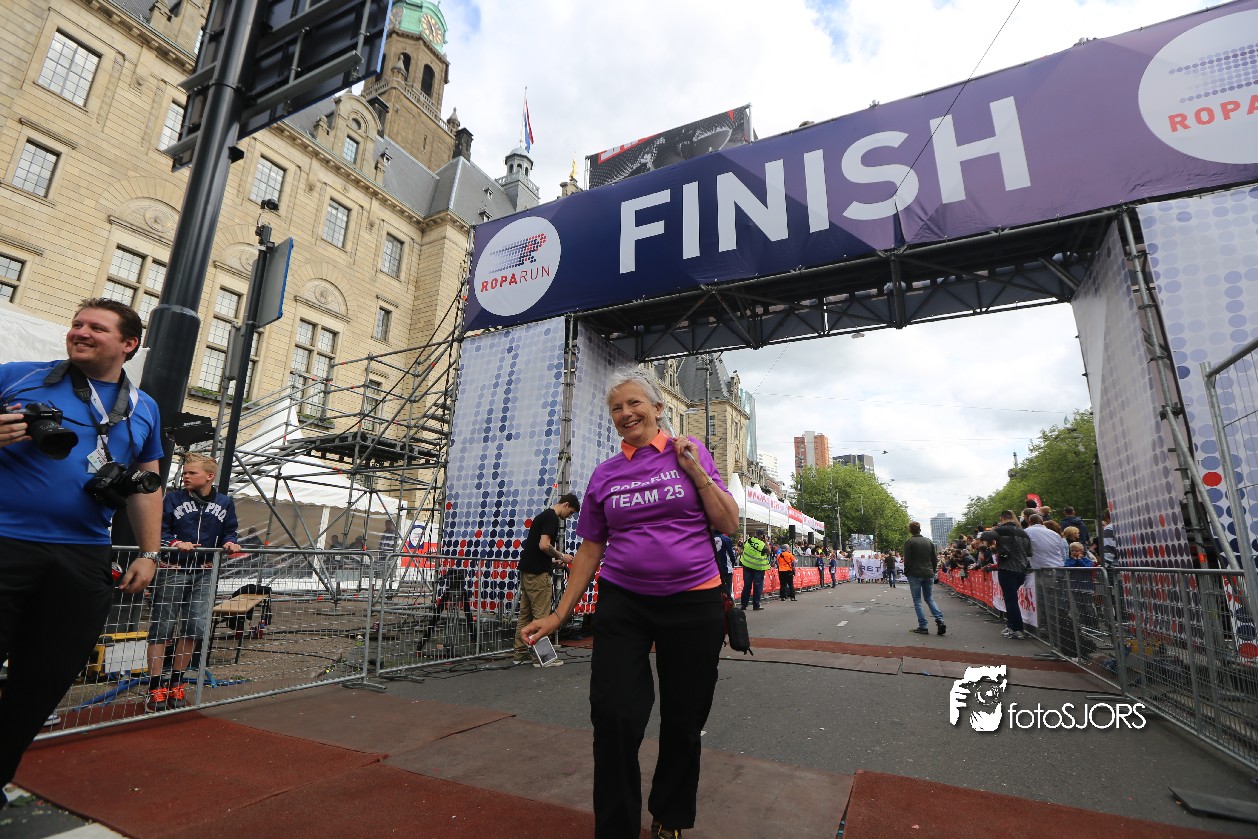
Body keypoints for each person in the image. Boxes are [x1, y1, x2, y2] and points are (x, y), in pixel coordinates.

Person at [520, 369, 739, 839]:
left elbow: (728, 524)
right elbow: (590, 551)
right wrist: (558, 615)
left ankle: (670, 816)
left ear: (658, 408)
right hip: (624, 603)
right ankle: (616, 827)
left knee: (684, 717)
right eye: (617, 408)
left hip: (693, 601)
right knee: (614, 714)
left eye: (635, 403)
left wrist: (697, 473)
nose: (626, 413)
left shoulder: (690, 452)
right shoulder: (605, 475)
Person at [0, 299, 163, 804]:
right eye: (76, 324)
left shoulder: (144, 406)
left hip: (84, 556)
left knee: (42, 683)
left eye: (96, 327)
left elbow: (148, 484)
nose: (80, 331)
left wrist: (149, 553)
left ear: (128, 344)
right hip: (6, 542)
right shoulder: (17, 376)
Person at [146, 453, 241, 710]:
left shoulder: (225, 502)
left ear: (209, 476)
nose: (186, 476)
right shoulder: (173, 498)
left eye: (192, 473)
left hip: (204, 571)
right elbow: (159, 530)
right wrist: (176, 543)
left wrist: (230, 543)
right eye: (185, 472)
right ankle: (155, 687)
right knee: (162, 628)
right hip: (173, 569)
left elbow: (229, 530)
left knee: (194, 628)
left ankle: (177, 683)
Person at [512, 493, 578, 666]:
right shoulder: (552, 518)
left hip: (527, 571)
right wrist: (562, 556)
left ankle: (520, 655)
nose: (569, 516)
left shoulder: (542, 516)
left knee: (525, 615)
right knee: (541, 616)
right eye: (570, 512)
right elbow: (544, 545)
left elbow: (537, 548)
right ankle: (542, 658)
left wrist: (552, 561)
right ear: (565, 504)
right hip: (538, 575)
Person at [988, 510, 1033, 639]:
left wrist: (994, 531)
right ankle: (1011, 626)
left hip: (1007, 568)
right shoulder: (1023, 532)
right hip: (1021, 569)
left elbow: (986, 537)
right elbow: (1029, 552)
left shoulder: (1001, 530)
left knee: (1010, 599)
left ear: (1002, 518)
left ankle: (1017, 629)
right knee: (1011, 599)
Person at [903, 522, 945, 636]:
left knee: (917, 600)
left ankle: (923, 626)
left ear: (910, 530)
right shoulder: (928, 541)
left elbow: (907, 560)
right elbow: (934, 559)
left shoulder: (909, 542)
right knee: (929, 598)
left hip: (915, 574)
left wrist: (907, 572)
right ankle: (940, 620)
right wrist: (933, 571)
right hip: (928, 573)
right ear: (920, 530)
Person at [739, 529, 770, 610]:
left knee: (747, 585)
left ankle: (744, 605)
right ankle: (756, 605)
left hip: (747, 565)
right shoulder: (762, 544)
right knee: (757, 585)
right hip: (758, 567)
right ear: (762, 536)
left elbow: (741, 549)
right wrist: (766, 542)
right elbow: (769, 552)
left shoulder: (748, 541)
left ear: (755, 534)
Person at [713, 529, 736, 598]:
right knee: (727, 591)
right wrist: (733, 563)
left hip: (713, 570)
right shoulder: (726, 539)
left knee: (716, 591)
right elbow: (731, 555)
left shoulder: (709, 539)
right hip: (726, 569)